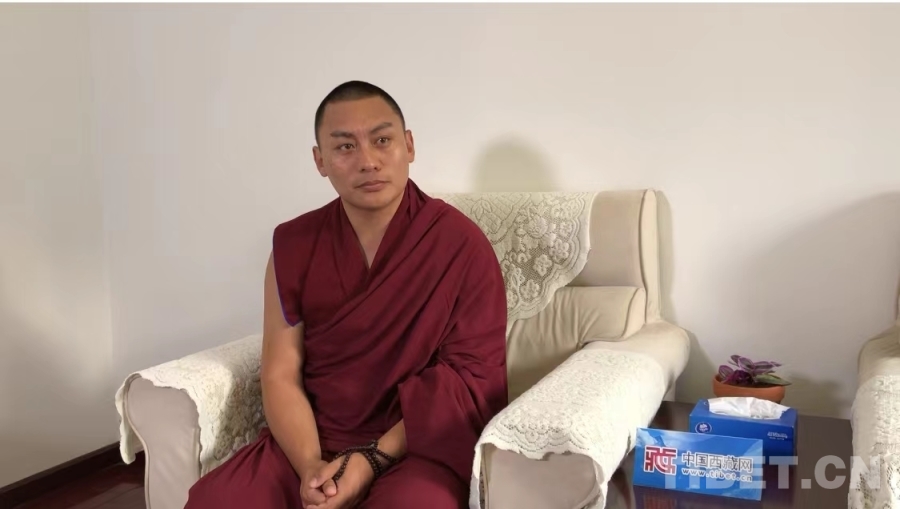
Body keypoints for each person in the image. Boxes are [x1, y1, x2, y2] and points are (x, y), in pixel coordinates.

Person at [184, 80, 509, 509]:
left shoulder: (460, 245)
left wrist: (369, 460)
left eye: (382, 140)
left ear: (409, 145)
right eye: (345, 147)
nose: (368, 161)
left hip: (415, 445)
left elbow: (469, 379)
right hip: (314, 439)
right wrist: (311, 468)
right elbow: (280, 373)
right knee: (218, 500)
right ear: (320, 160)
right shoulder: (294, 245)